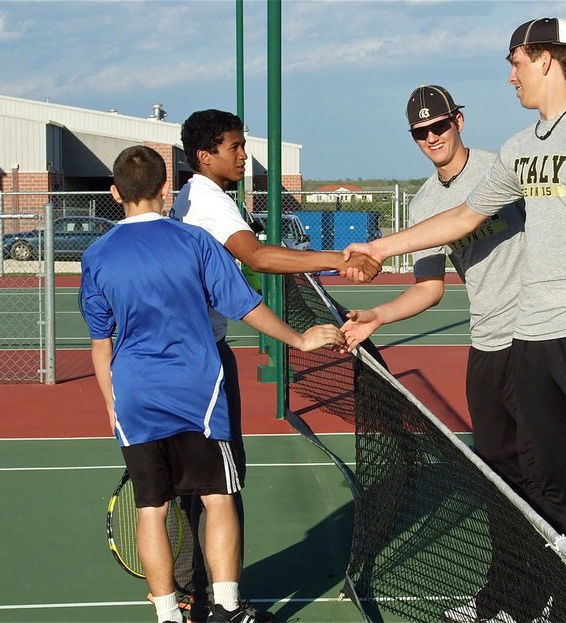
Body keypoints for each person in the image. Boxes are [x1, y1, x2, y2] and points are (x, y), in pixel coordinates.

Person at [344, 17, 566, 623]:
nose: (510, 76)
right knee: (554, 492)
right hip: (530, 342)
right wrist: (379, 248)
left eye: (515, 62)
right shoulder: (518, 149)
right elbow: (462, 217)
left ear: (546, 60)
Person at [80, 146, 344, 623]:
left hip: (134, 396)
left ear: (115, 193)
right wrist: (300, 339)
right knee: (218, 497)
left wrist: (111, 404)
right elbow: (245, 305)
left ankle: (168, 615)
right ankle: (227, 608)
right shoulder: (195, 241)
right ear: (166, 188)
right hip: (198, 392)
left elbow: (101, 345)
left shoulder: (96, 256)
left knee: (151, 508)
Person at [171, 109, 380, 622]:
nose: (245, 156)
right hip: (203, 364)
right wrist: (337, 258)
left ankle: (189, 594)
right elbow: (258, 257)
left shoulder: (190, 198)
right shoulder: (209, 201)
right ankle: (221, 605)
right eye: (235, 147)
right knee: (220, 486)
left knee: (187, 488)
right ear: (206, 156)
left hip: (180, 361)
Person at [341, 85, 540, 620]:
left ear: (459, 122)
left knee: (540, 478)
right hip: (488, 345)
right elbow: (429, 288)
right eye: (420, 132)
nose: (432, 137)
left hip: (535, 339)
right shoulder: (427, 203)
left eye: (439, 126)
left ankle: (545, 596)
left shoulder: (503, 170)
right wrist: (377, 315)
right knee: (499, 483)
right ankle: (505, 598)